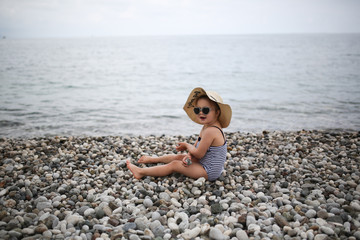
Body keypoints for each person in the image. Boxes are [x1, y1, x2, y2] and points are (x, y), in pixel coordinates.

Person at [126, 87, 232, 181]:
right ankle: (153, 159)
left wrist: (186, 145)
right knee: (180, 157)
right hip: (203, 162)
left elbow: (199, 154)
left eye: (205, 110)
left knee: (175, 165)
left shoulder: (211, 131)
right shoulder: (207, 126)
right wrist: (189, 156)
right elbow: (197, 145)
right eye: (197, 110)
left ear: (217, 112)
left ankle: (141, 172)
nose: (201, 113)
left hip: (208, 171)